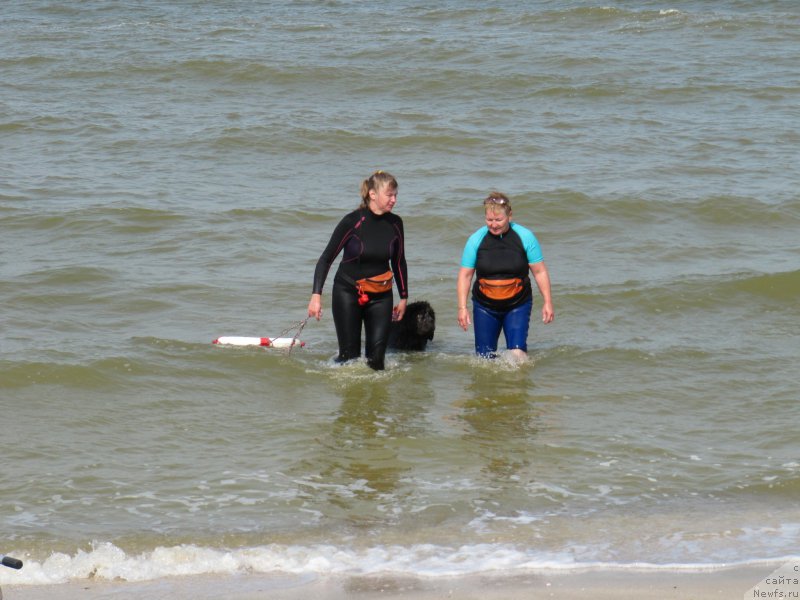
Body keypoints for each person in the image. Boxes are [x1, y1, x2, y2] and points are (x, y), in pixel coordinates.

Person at [308, 171, 408, 370]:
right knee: (349, 359)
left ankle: (377, 400)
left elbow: (399, 262)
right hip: (348, 293)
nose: (394, 200)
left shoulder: (396, 223)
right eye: (389, 195)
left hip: (381, 296)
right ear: (372, 194)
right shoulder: (352, 221)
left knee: (377, 362)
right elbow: (326, 258)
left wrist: (404, 297)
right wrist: (316, 296)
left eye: (396, 195)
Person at [457, 192, 554, 358]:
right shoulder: (476, 239)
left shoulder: (525, 237)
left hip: (518, 305)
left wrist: (548, 302)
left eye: (498, 220)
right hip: (484, 307)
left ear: (509, 215)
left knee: (517, 354)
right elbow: (465, 276)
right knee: (484, 359)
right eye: (489, 220)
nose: (493, 225)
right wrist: (462, 308)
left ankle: (518, 384)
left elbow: (540, 271)